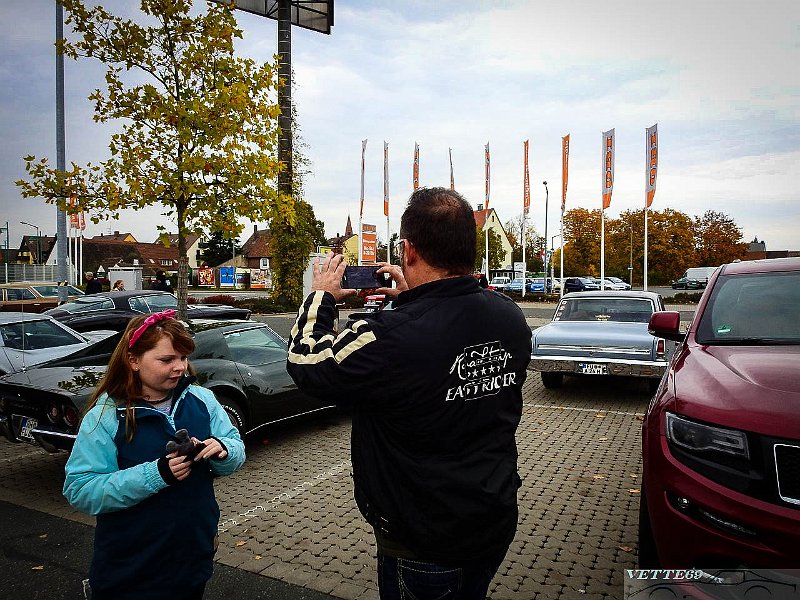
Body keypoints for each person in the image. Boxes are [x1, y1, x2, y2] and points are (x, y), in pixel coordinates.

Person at [287, 187, 531, 600]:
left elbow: (306, 362)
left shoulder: (391, 336)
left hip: (424, 541)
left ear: (408, 250)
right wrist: (414, 300)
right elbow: (443, 339)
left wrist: (321, 296)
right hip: (492, 518)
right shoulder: (508, 316)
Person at [63, 311, 245, 600]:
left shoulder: (202, 399)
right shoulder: (106, 416)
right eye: (166, 359)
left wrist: (223, 451)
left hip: (193, 560)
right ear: (133, 360)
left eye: (183, 358)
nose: (180, 367)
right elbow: (81, 489)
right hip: (131, 570)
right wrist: (155, 474)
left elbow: (235, 446)